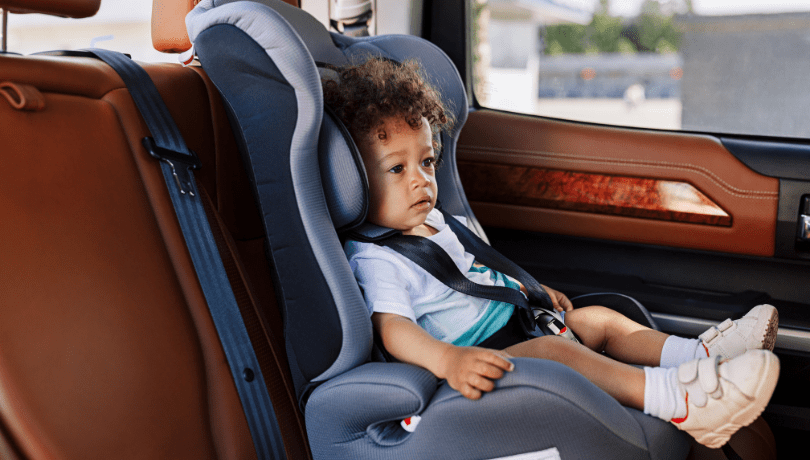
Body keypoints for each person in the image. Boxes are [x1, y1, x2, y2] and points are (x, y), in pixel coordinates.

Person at [324, 57, 780, 449]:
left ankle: (702, 356)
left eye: (426, 162)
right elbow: (392, 328)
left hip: (513, 325)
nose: (421, 180)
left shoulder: (436, 221)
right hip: (476, 357)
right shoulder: (376, 257)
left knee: (600, 319)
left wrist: (533, 291)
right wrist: (448, 360)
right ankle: (677, 400)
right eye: (397, 168)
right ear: (355, 180)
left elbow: (476, 273)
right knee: (557, 352)